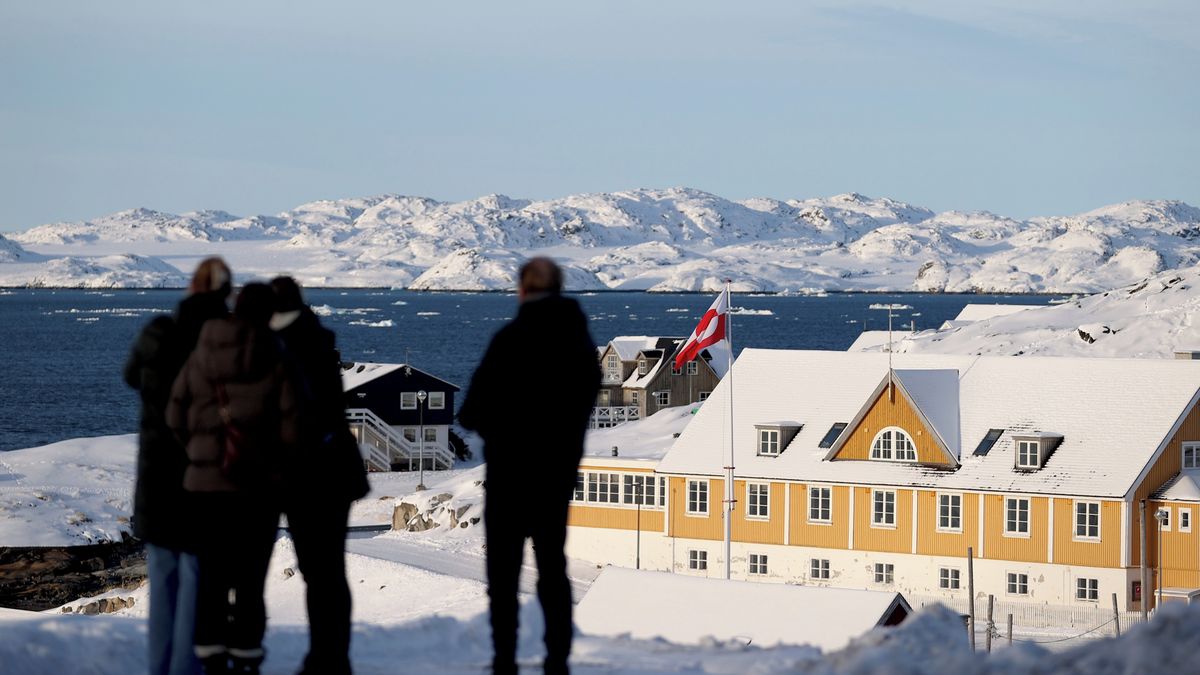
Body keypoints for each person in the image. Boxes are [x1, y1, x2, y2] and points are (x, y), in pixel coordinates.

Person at [458, 258, 600, 675]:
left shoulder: (510, 340)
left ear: (522, 291)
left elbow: (471, 412)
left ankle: (505, 658)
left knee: (503, 575)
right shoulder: (580, 347)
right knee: (552, 569)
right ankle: (558, 658)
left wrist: (502, 429)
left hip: (509, 474)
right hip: (555, 476)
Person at [167, 283, 299, 675]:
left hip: (205, 489)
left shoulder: (201, 352)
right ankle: (245, 655)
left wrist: (200, 453)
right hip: (258, 490)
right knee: (249, 579)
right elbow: (294, 425)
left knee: (210, 576)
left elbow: (175, 415)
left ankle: (210, 653)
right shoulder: (276, 355)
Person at [124, 257, 232, 675]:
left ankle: (160, 667)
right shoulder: (228, 341)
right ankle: (186, 668)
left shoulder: (159, 334)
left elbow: (130, 375)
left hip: (157, 475)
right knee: (197, 581)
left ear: (191, 287)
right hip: (206, 474)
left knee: (163, 579)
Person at [269, 276, 369, 675]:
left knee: (318, 572)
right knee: (329, 572)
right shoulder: (318, 339)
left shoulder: (283, 346)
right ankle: (333, 655)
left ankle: (325, 658)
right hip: (336, 471)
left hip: (303, 474)